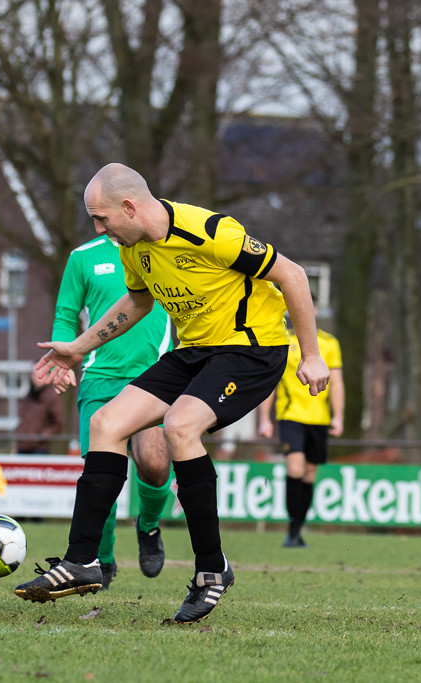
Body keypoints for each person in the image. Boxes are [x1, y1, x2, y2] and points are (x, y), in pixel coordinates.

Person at [20, 163, 329, 624]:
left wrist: (312, 354)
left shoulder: (210, 232)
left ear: (130, 207)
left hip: (252, 350)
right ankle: (82, 560)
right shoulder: (133, 248)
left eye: (102, 218)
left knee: (180, 425)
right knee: (106, 423)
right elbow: (139, 302)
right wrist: (78, 348)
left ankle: (211, 570)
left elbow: (294, 275)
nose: (99, 229)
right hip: (195, 352)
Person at [48, 229, 174, 587]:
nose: (99, 221)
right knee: (100, 477)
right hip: (99, 379)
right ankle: (101, 559)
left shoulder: (165, 249)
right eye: (94, 214)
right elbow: (66, 315)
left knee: (154, 463)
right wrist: (63, 360)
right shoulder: (82, 256)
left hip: (154, 376)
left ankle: (148, 526)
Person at [257, 299, 344, 548]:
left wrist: (338, 416)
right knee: (295, 468)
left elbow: (337, 383)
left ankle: (298, 528)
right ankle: (292, 530)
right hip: (291, 416)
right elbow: (272, 382)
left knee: (309, 474)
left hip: (319, 419)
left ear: (314, 311)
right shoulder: (284, 342)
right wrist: (265, 419)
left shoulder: (329, 343)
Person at [15, 373, 63, 454]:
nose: (37, 377)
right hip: (22, 445)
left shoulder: (52, 397)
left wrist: (42, 436)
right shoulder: (28, 396)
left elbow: (58, 424)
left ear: (48, 376)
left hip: (40, 448)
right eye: (34, 375)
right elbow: (22, 420)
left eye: (41, 374)